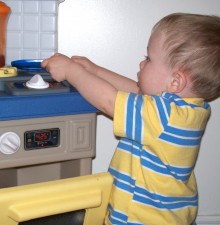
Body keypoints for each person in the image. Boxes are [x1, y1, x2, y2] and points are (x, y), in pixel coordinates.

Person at [41, 13, 220, 225]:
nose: (142, 64)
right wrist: (96, 71)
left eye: (149, 59)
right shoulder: (185, 112)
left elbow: (109, 101)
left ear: (175, 81)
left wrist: (71, 72)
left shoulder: (166, 116)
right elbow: (137, 94)